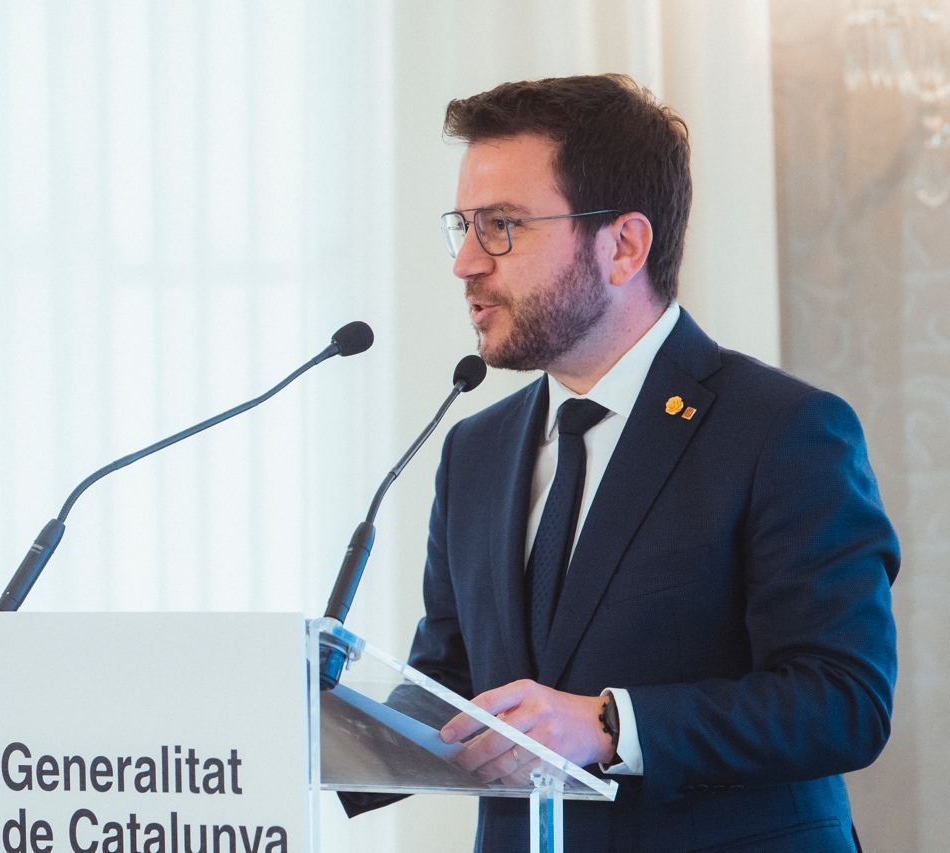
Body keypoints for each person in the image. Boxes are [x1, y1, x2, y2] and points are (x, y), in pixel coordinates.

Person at [355, 75, 899, 852]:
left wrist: (611, 722)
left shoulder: (783, 430)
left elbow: (843, 699)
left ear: (624, 246)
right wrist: (304, 723)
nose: (467, 263)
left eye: (503, 225)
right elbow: (453, 689)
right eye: (464, 226)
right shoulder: (472, 450)